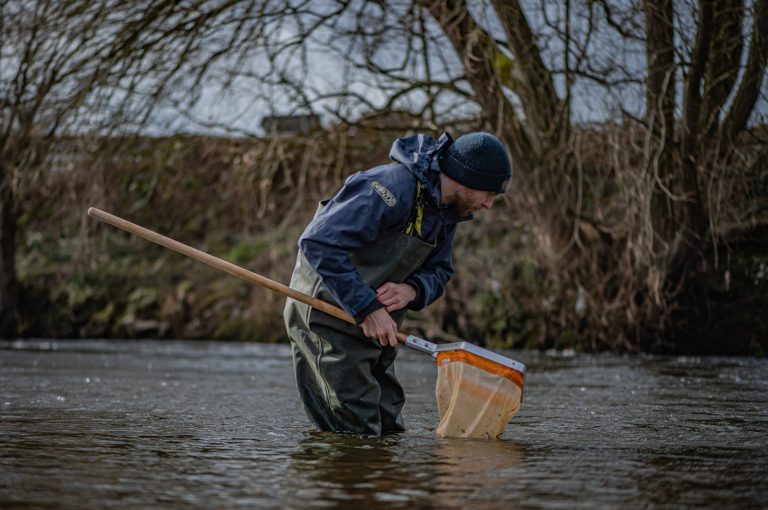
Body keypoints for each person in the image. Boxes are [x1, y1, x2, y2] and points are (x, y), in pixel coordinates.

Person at [283, 131, 512, 435]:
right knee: (355, 432)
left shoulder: (448, 214)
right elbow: (317, 242)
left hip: (379, 332)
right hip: (326, 318)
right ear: (466, 179)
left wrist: (413, 289)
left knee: (389, 427)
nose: (488, 206)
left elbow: (440, 271)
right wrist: (366, 307)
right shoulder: (390, 186)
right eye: (489, 194)